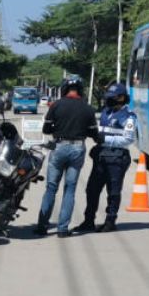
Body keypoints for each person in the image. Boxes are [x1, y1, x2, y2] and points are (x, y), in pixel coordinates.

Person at [34, 76, 98, 238]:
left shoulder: (56, 105)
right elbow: (94, 134)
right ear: (80, 89)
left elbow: (46, 130)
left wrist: (58, 128)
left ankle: (42, 226)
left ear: (64, 89)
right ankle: (62, 229)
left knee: (51, 188)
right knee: (70, 189)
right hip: (77, 148)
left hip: (59, 147)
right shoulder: (88, 108)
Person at [73, 83, 136, 233]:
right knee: (91, 190)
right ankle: (88, 221)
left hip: (117, 158)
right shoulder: (106, 113)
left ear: (121, 98)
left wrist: (106, 140)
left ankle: (110, 221)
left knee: (113, 191)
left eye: (112, 98)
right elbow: (99, 131)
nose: (108, 101)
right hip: (101, 156)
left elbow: (128, 140)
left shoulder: (129, 116)